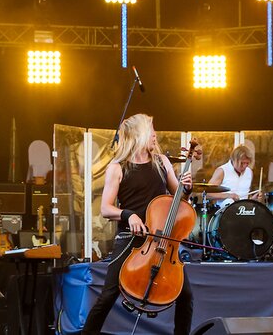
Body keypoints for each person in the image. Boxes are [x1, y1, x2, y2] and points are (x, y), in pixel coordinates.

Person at [82, 114, 193, 335]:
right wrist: (129, 215)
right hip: (130, 239)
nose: (155, 135)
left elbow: (179, 201)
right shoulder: (118, 167)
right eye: (151, 130)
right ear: (139, 134)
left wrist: (187, 188)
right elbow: (106, 208)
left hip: (160, 240)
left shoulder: (162, 162)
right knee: (108, 295)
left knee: (186, 296)